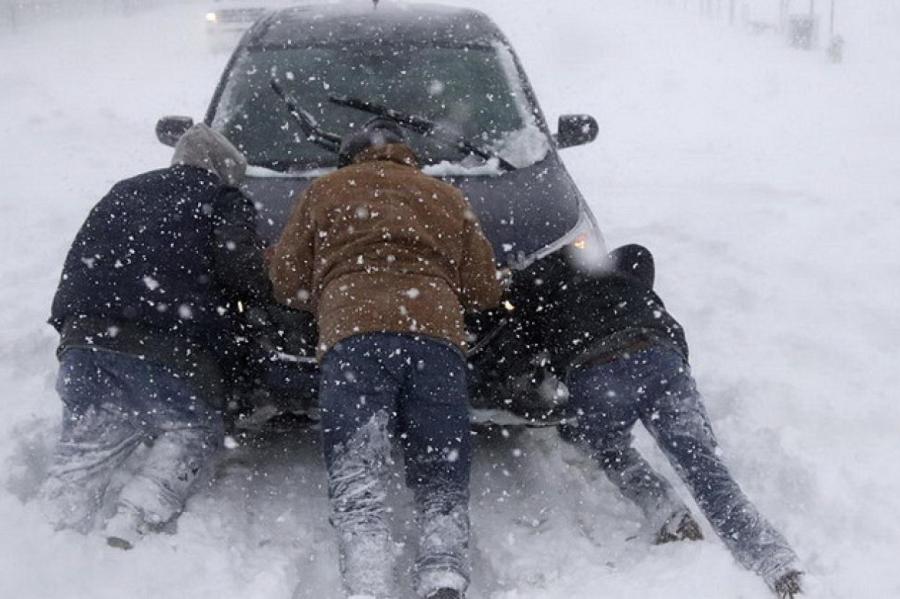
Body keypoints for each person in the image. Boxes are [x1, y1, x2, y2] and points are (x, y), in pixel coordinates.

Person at [268, 118, 503, 599]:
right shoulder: (446, 196)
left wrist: (330, 288)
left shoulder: (324, 192)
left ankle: (368, 580)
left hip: (355, 335)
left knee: (358, 469)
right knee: (441, 464)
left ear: (351, 156)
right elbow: (483, 289)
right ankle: (443, 571)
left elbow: (287, 281)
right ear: (406, 154)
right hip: (435, 333)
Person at [525, 244, 804, 598]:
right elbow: (639, 255)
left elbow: (522, 359)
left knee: (612, 451)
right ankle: (777, 564)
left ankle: (669, 514)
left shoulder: (533, 288)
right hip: (656, 355)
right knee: (704, 469)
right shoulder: (614, 266)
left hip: (594, 370)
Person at [41, 124, 273, 549]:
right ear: (225, 172)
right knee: (192, 427)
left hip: (85, 338)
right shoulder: (222, 198)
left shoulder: (123, 191)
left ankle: (54, 530)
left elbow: (78, 262)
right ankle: (136, 516)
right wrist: (268, 294)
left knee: (91, 438)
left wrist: (73, 331)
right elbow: (242, 268)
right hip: (168, 345)